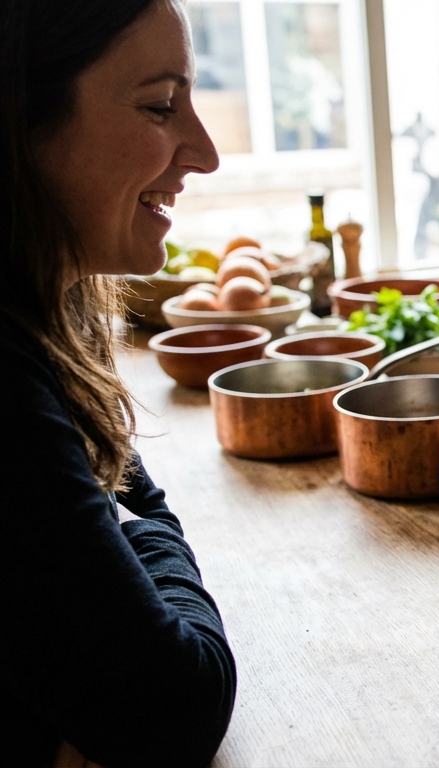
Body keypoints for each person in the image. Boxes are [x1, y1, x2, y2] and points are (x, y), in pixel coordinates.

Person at [0, 0, 235, 764]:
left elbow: (132, 495)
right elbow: (174, 708)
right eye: (161, 106)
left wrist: (132, 533)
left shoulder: (45, 327)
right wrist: (146, 539)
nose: (204, 152)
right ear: (21, 123)